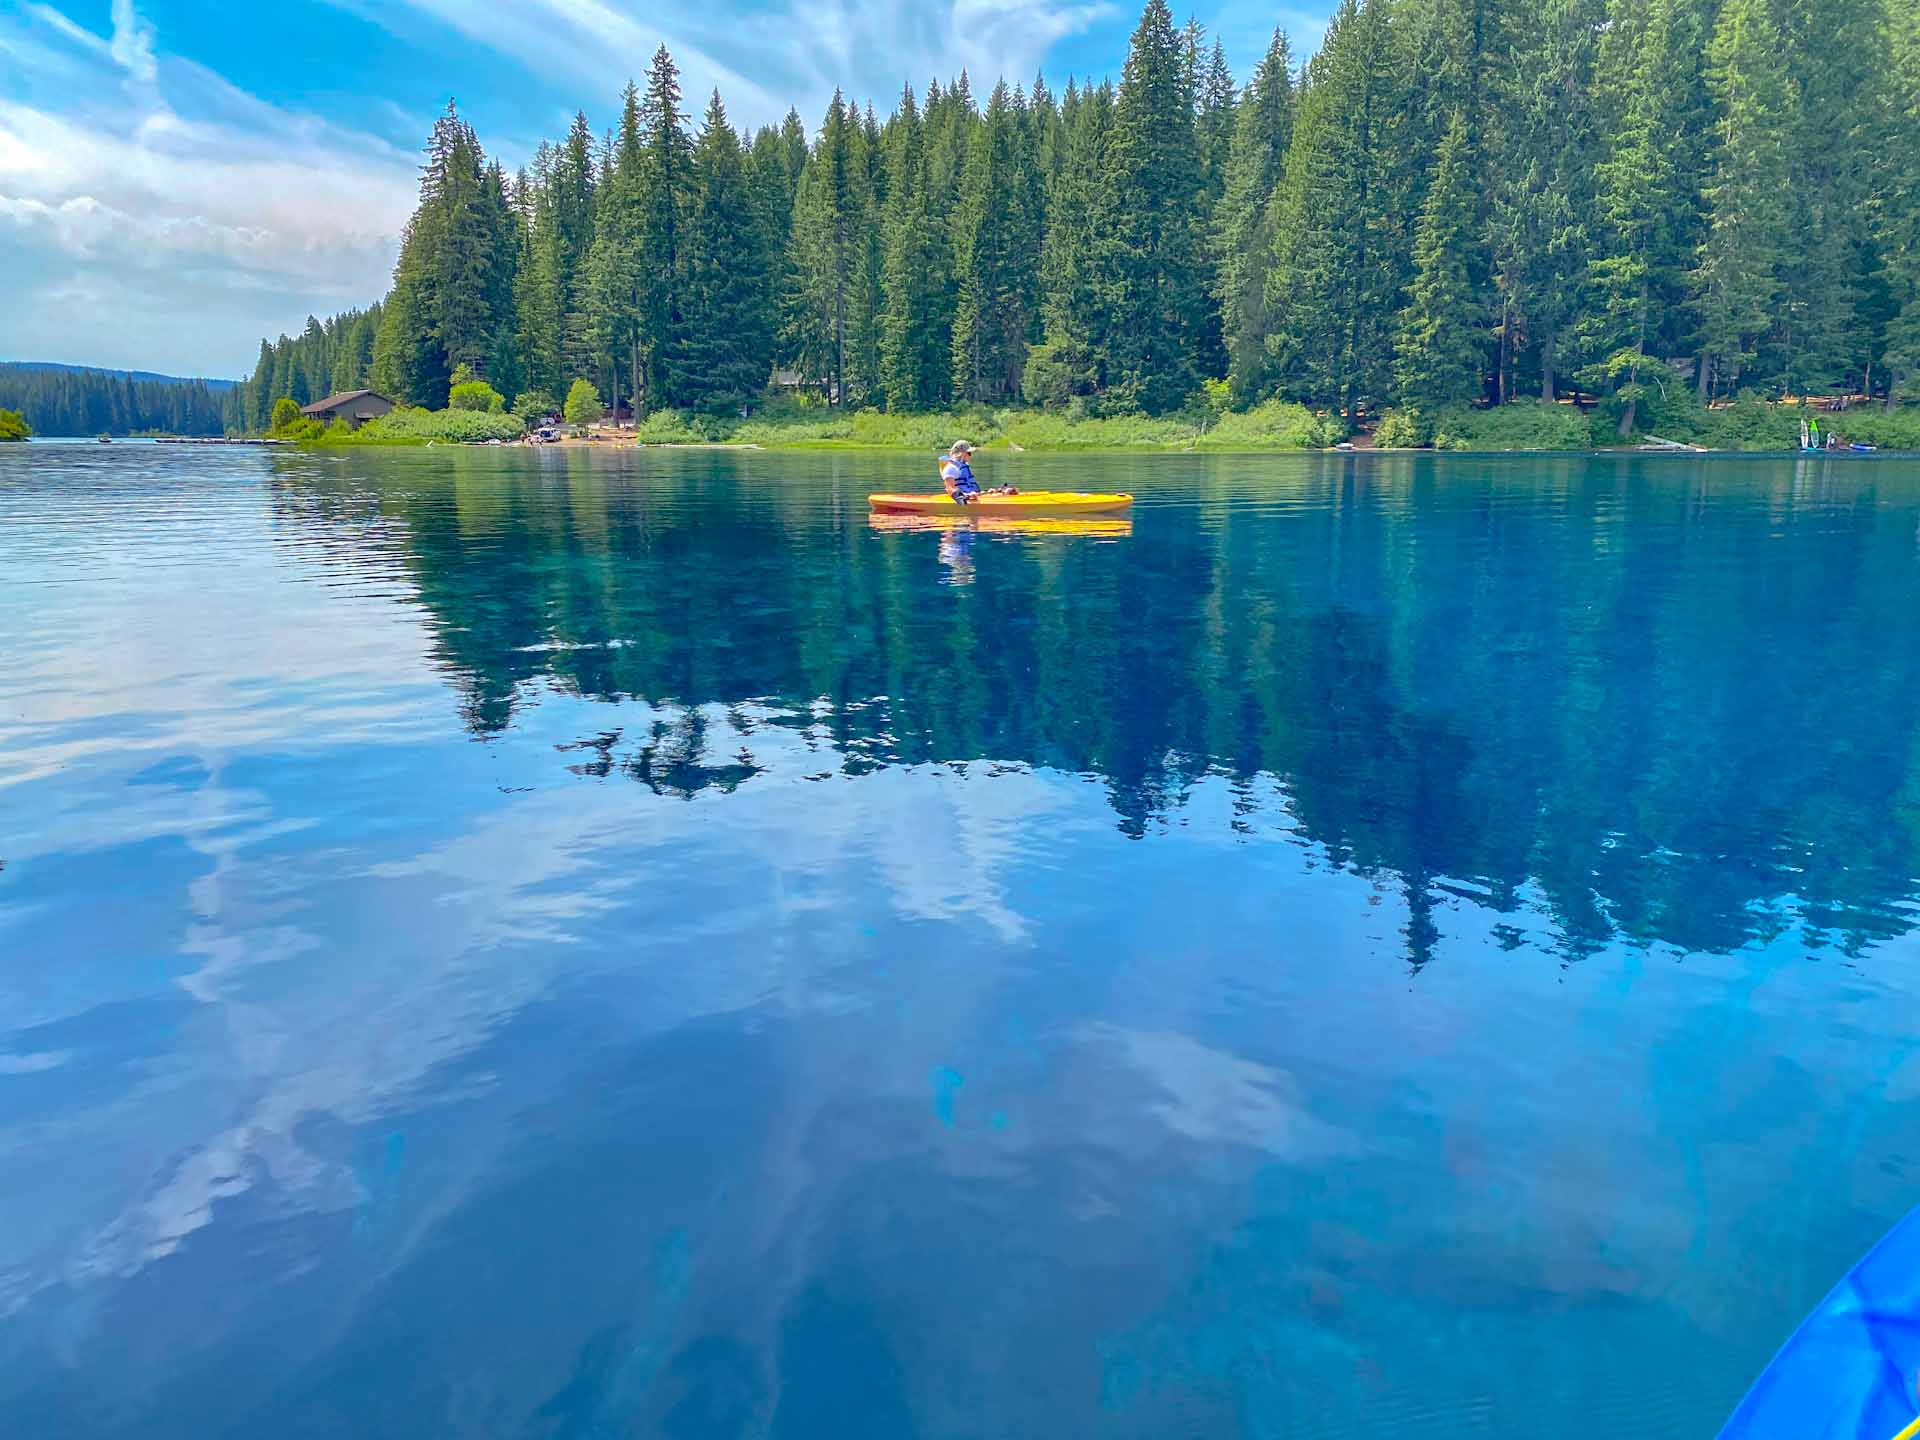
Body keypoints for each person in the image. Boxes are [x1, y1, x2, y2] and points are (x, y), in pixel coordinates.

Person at [939, 441, 1017, 505]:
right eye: (969, 453)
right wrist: (965, 496)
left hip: (974, 496)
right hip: (966, 498)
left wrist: (987, 492)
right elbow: (949, 488)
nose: (971, 456)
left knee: (1010, 492)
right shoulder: (951, 468)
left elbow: (970, 489)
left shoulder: (964, 465)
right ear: (961, 453)